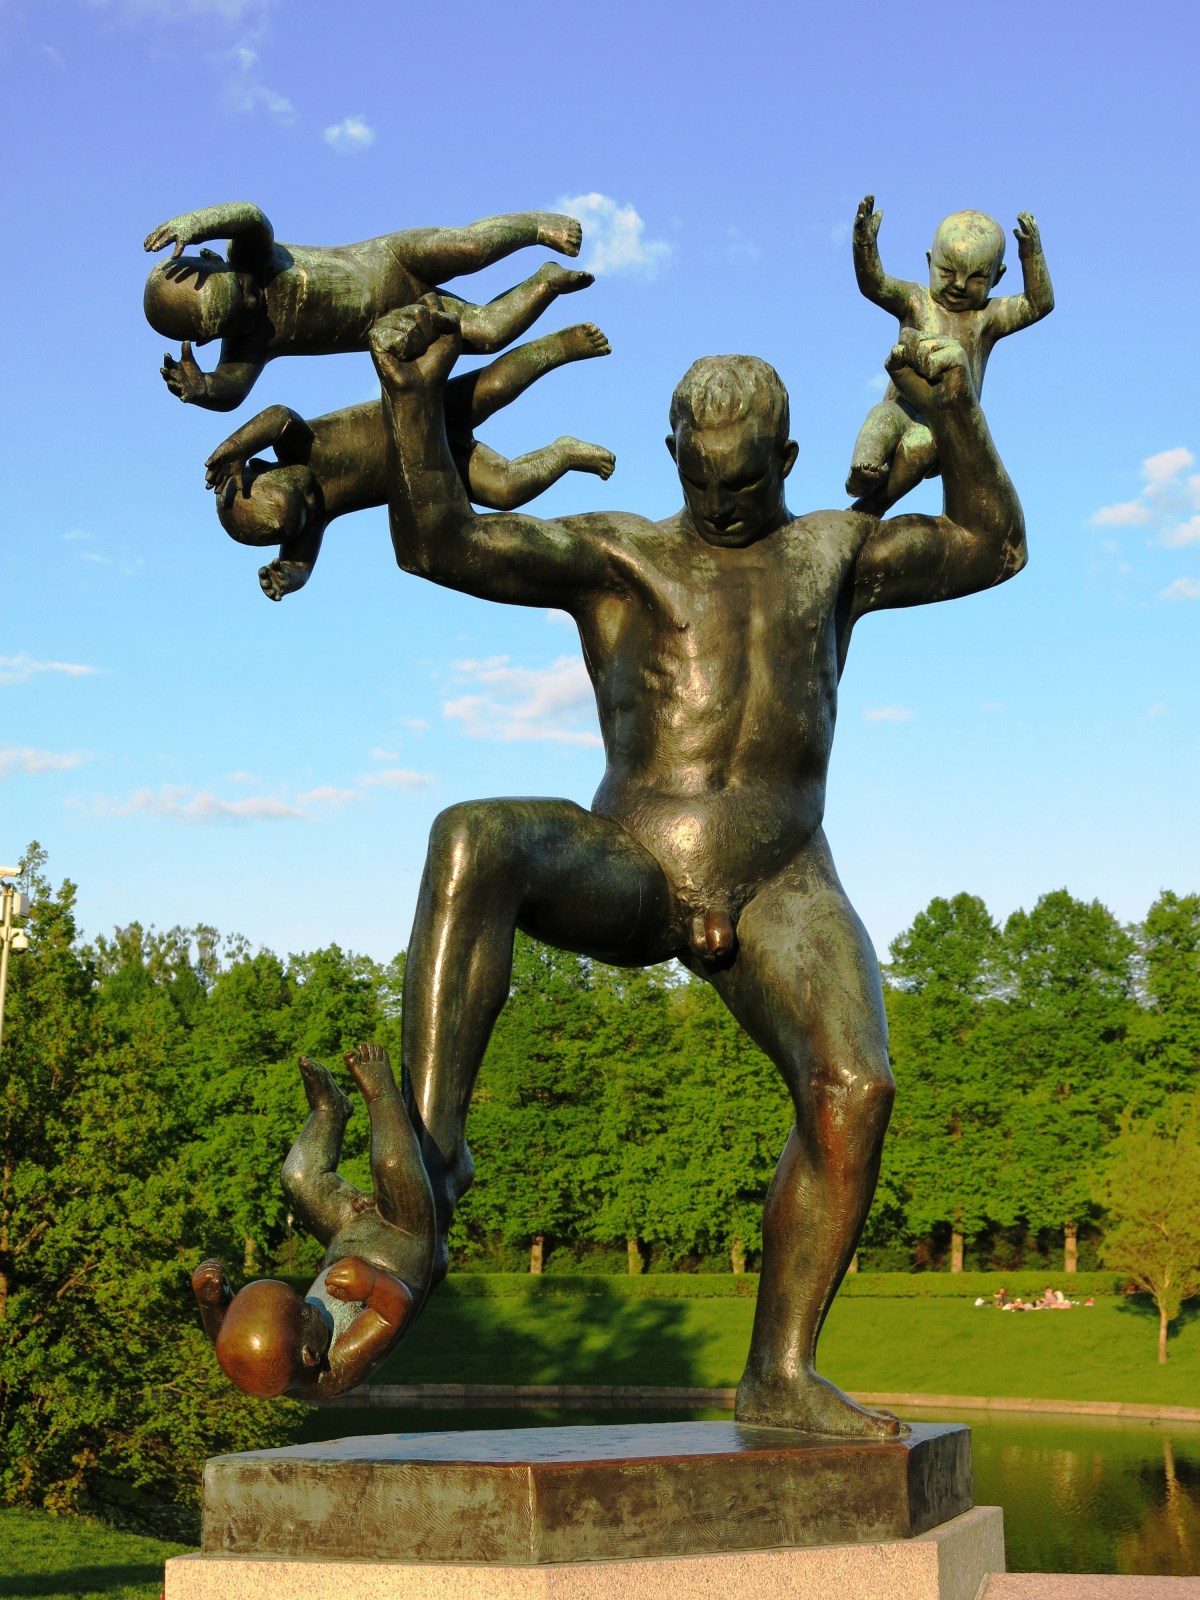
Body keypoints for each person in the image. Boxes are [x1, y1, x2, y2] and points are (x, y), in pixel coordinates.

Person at [368, 296, 1027, 1439]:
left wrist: (956, 419)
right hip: (629, 858)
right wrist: (412, 402)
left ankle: (779, 1371)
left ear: (789, 459)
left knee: (857, 1090)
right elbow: (440, 542)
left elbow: (992, 547)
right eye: (704, 479)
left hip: (781, 877)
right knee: (472, 835)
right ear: (677, 455)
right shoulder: (620, 555)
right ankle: (425, 1175)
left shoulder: (832, 554)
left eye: (745, 481)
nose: (721, 502)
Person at [203, 322, 615, 601]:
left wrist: (236, 445)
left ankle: (562, 345)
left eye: (303, 496)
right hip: (438, 468)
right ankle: (563, 452)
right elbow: (300, 562)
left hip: (423, 410)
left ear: (264, 468)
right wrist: (286, 577)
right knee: (506, 489)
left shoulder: (297, 445)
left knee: (497, 386)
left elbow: (277, 416)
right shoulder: (310, 519)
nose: (314, 503)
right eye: (305, 516)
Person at [144, 202, 591, 411]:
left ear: (213, 260)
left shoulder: (251, 255)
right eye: (237, 313)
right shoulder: (249, 344)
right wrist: (203, 390)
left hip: (391, 260)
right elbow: (233, 390)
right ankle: (545, 282)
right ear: (208, 337)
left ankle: (535, 226)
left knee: (471, 246)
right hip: (398, 319)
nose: (253, 297)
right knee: (488, 333)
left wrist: (198, 222)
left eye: (240, 287)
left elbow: (251, 215)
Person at [191, 1044, 434, 1400]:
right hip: (401, 1239)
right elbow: (396, 1310)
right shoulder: (337, 1366)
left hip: (346, 1236)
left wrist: (212, 1303)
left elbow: (227, 1339)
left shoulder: (271, 1360)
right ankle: (383, 1095)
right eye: (305, 1312)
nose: (312, 1303)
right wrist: (369, 1287)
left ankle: (329, 1110)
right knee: (392, 1166)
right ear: (310, 1353)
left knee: (299, 1176)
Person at [846, 196, 1053, 514]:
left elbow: (1039, 304)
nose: (958, 284)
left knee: (926, 443)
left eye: (976, 278)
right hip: (902, 406)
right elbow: (874, 284)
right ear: (930, 262)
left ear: (997, 277)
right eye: (947, 272)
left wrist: (1032, 256)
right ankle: (864, 468)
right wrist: (864, 243)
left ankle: (874, 504)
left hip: (945, 424)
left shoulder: (988, 316)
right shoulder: (916, 299)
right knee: (882, 418)